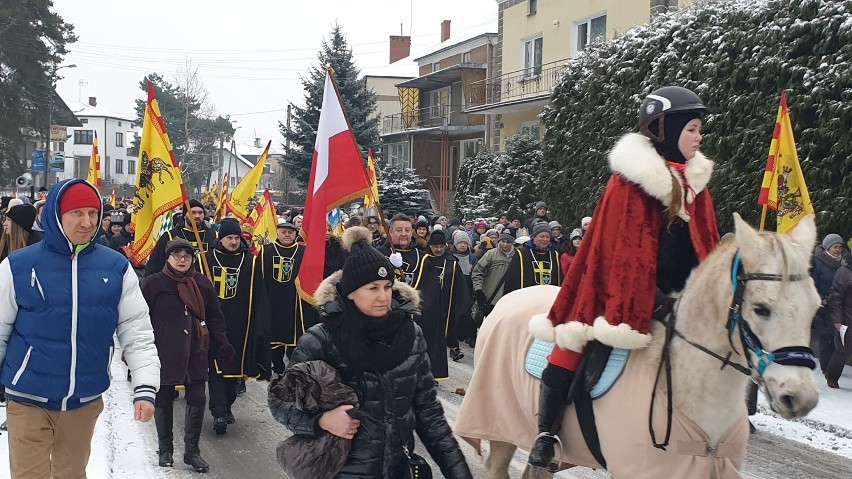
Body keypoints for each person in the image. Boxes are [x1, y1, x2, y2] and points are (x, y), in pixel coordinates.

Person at [527, 86, 719, 469]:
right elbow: (623, 251)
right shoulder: (628, 183)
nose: (699, 138)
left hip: (682, 296)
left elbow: (706, 245)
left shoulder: (696, 183)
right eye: (692, 129)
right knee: (574, 339)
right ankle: (546, 432)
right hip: (619, 288)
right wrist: (635, 299)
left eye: (700, 130)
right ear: (664, 130)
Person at [270, 226, 472, 478]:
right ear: (351, 292)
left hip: (398, 468)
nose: (383, 297)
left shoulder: (410, 335)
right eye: (372, 288)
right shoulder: (321, 339)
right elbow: (279, 401)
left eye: (387, 286)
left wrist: (459, 472)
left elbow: (430, 416)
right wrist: (320, 421)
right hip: (343, 470)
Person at [0, 179, 160, 478]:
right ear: (56, 215)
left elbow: (137, 332)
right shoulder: (19, 265)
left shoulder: (116, 267)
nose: (87, 222)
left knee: (71, 474)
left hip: (83, 401)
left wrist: (145, 388)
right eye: (77, 213)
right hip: (27, 396)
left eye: (93, 213)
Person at [141, 238, 234, 472]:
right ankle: (165, 450)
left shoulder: (202, 283)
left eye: (186, 256)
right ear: (168, 258)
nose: (182, 260)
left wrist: (222, 343)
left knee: (197, 398)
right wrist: (137, 353)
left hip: (196, 350)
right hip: (163, 350)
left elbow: (215, 316)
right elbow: (139, 320)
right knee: (163, 398)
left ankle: (192, 452)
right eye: (176, 255)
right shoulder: (153, 284)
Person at [205, 218, 271, 434]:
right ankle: (219, 412)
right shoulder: (206, 259)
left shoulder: (250, 262)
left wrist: (260, 325)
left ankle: (227, 406)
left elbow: (260, 295)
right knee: (215, 369)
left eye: (236, 238)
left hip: (241, 324)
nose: (233, 242)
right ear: (220, 238)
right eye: (228, 238)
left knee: (234, 371)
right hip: (214, 324)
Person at [377, 214, 445, 380]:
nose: (404, 234)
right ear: (390, 232)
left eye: (407, 230)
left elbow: (431, 293)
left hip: (414, 319)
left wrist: (415, 309)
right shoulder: (377, 254)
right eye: (399, 230)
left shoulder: (422, 258)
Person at [261, 220, 313, 371]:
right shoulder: (267, 251)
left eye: (290, 232)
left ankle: (293, 367)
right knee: (275, 335)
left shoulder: (303, 252)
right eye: (283, 232)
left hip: (294, 301)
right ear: (277, 233)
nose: (287, 235)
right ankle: (277, 366)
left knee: (294, 335)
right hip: (273, 299)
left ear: (296, 234)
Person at [427, 230, 469, 362]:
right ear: (430, 246)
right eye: (435, 247)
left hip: (448, 300)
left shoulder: (452, 262)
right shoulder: (424, 260)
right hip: (429, 301)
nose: (438, 249)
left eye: (441, 246)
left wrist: (463, 302)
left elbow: (460, 284)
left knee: (450, 323)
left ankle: (453, 348)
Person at [146, 199, 216, 276]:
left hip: (204, 283)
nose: (197, 216)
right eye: (193, 213)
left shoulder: (214, 236)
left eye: (200, 213)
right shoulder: (170, 235)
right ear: (185, 215)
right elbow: (156, 264)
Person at [812, 233, 846, 371]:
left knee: (839, 337)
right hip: (825, 305)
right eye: (835, 247)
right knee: (826, 337)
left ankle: (833, 368)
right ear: (827, 247)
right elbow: (812, 282)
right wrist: (819, 297)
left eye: (840, 247)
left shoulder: (845, 263)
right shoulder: (817, 262)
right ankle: (826, 367)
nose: (838, 250)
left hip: (841, 305)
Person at [504, 221, 563, 293]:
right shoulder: (521, 254)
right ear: (534, 237)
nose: (545, 239)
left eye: (547, 237)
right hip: (527, 299)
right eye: (541, 236)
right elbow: (512, 281)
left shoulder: (555, 255)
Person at [825, 251, 852, 389]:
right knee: (843, 349)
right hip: (847, 318)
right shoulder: (844, 272)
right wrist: (837, 320)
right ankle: (832, 377)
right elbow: (836, 298)